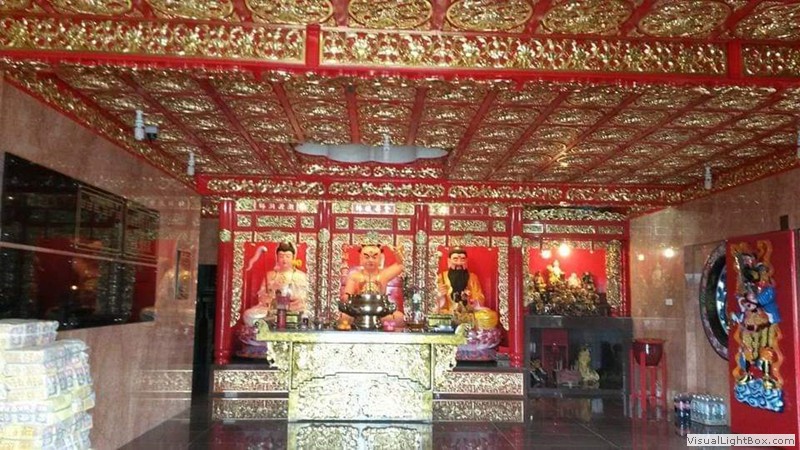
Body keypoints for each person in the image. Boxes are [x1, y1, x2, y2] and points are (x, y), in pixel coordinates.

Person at [243, 242, 309, 327]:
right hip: (272, 310)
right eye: (281, 256)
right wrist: (268, 298)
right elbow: (262, 295)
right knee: (249, 315)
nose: (284, 260)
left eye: (288, 256)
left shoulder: (300, 275)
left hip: (293, 309)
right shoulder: (270, 275)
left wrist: (290, 299)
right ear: (277, 258)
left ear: (293, 257)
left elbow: (304, 297)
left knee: (306, 315)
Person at [435, 247, 485, 313]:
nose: (459, 262)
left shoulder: (472, 277)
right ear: (449, 261)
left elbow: (479, 296)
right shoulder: (442, 277)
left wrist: (473, 301)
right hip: (449, 311)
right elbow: (434, 299)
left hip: (469, 311)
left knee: (489, 315)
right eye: (455, 259)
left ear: (466, 260)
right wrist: (440, 295)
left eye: (462, 259)